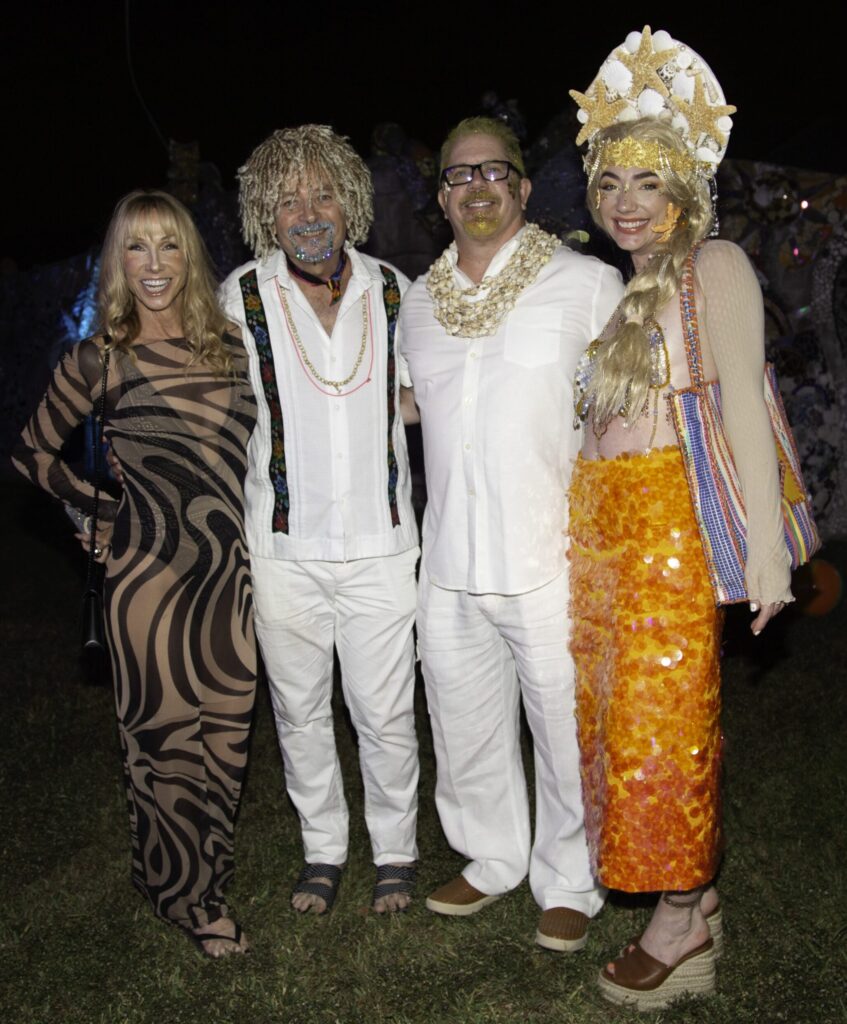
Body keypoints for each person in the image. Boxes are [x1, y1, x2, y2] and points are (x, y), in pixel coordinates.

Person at [568, 27, 793, 1009]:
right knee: (617, 730)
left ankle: (683, 916)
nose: (624, 201)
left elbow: (741, 401)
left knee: (668, 734)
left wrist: (770, 560)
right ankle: (681, 898)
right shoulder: (623, 295)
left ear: (682, 191)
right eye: (610, 181)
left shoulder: (718, 268)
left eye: (645, 183)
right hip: (604, 536)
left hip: (669, 535)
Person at [14, 189, 258, 958]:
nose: (154, 265)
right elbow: (29, 455)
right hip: (147, 579)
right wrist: (99, 509)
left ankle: (174, 873)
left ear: (190, 257)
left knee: (226, 744)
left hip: (230, 579)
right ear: (117, 262)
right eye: (136, 247)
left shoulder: (231, 346)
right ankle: (194, 899)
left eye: (169, 246)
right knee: (163, 745)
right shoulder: (99, 358)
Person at [398, 116, 623, 950]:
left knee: (565, 730)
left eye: (494, 172)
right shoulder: (417, 303)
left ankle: (569, 878)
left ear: (523, 188)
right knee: (462, 721)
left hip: (550, 554)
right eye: (459, 175)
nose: (478, 187)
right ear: (442, 196)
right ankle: (490, 858)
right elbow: (405, 405)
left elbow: (629, 403)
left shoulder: (585, 282)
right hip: (449, 556)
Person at [220, 125, 420, 915]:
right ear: (265, 215)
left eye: (323, 195)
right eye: (288, 200)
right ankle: (324, 851)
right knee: (299, 712)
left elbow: (415, 401)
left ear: (352, 203)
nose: (308, 213)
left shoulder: (395, 290)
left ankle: (396, 853)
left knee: (386, 712)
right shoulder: (236, 297)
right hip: (279, 548)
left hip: (380, 547)